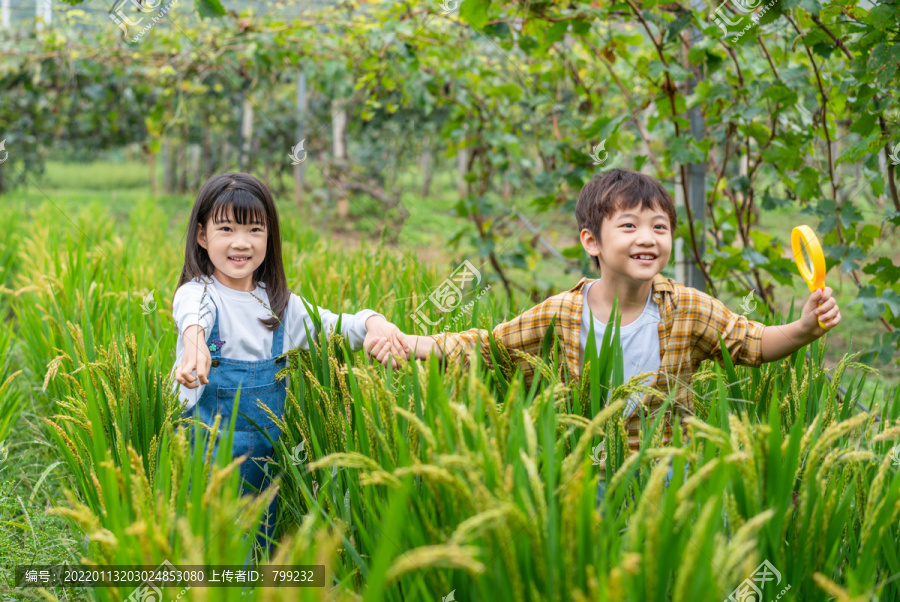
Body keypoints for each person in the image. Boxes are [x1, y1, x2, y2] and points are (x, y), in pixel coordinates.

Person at [383, 168, 842, 506]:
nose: (648, 238)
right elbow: (488, 349)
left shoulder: (688, 308)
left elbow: (754, 343)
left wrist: (803, 328)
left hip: (671, 475)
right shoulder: (562, 313)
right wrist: (410, 342)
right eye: (629, 226)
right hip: (587, 476)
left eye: (659, 227)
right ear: (591, 241)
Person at [171, 172, 406, 559]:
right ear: (202, 236)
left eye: (255, 229)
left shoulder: (282, 307)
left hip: (263, 472)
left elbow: (339, 326)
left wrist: (374, 323)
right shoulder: (199, 295)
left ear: (270, 237)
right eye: (226, 228)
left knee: (255, 555)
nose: (241, 242)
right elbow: (191, 313)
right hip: (203, 466)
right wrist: (195, 343)